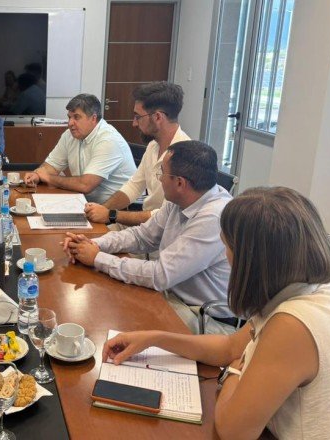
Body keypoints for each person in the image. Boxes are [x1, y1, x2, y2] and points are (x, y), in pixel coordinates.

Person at [102, 187, 330, 439]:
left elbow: (232, 430)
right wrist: (154, 339)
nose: (225, 257)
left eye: (226, 246)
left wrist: (235, 369)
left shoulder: (294, 324)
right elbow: (229, 347)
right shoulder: (310, 290)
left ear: (252, 261)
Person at [63, 141, 233, 334]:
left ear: (180, 183)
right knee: (109, 302)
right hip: (174, 296)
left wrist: (97, 258)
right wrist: (93, 244)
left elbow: (160, 275)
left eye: (162, 173)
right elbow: (142, 236)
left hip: (205, 318)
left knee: (117, 319)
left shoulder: (213, 218)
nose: (159, 180)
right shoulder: (180, 199)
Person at [85, 82, 190, 226]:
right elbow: (134, 187)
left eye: (138, 117)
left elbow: (164, 217)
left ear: (158, 117)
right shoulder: (153, 145)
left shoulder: (185, 156)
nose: (134, 123)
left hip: (161, 234)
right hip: (145, 227)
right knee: (80, 235)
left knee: (91, 238)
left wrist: (110, 215)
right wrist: (103, 209)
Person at [24, 94, 136, 204]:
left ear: (93, 118)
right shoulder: (69, 135)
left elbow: (85, 185)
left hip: (117, 209)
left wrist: (48, 178)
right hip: (85, 202)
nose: (70, 123)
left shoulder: (108, 140)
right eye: (69, 117)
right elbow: (51, 166)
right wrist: (37, 175)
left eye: (76, 117)